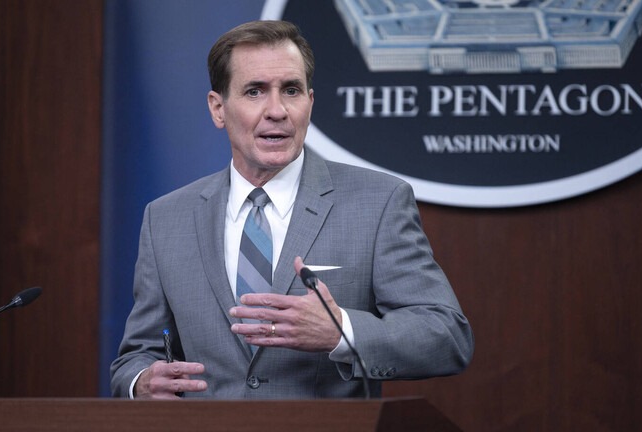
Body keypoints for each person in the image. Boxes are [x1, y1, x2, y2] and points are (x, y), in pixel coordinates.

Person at [110, 20, 473, 399]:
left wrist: (342, 332)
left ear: (309, 103)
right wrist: (141, 382)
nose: (277, 110)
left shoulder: (379, 202)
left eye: (291, 90)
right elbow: (137, 355)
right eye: (254, 91)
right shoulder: (166, 218)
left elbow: (446, 336)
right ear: (218, 109)